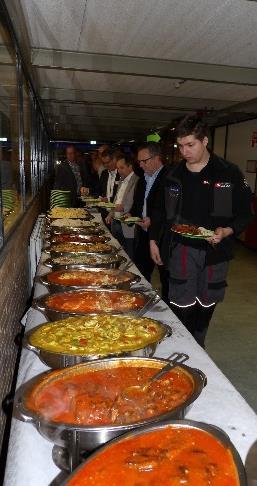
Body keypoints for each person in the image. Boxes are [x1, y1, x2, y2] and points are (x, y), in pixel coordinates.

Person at [150, 116, 254, 347]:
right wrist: (153, 240)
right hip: (180, 248)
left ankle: (199, 341)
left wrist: (228, 230)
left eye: (190, 145)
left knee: (208, 300)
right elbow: (157, 210)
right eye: (181, 146)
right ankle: (182, 343)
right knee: (180, 300)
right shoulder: (172, 175)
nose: (184, 151)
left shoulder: (228, 173)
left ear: (204, 140)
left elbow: (245, 212)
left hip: (214, 250)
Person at [128, 142, 169, 303]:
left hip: (162, 237)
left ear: (157, 158)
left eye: (144, 161)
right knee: (140, 271)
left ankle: (168, 309)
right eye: (139, 162)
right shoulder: (144, 179)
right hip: (145, 233)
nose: (141, 165)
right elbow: (140, 203)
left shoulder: (169, 177)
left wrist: (154, 220)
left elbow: (169, 209)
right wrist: (135, 216)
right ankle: (138, 302)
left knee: (166, 277)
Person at [105, 153, 139, 259]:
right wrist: (110, 214)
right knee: (117, 251)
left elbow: (135, 202)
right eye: (118, 168)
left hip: (127, 222)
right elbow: (116, 199)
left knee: (129, 254)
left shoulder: (137, 180)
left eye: (122, 168)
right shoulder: (121, 180)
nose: (119, 171)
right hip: (116, 220)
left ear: (130, 167)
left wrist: (123, 207)